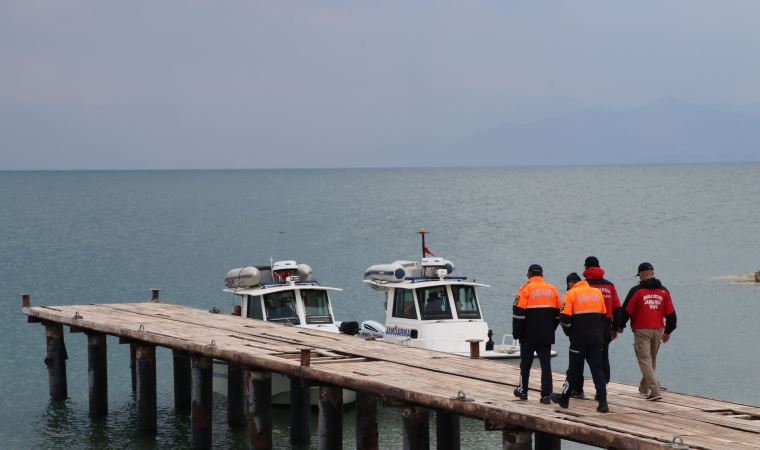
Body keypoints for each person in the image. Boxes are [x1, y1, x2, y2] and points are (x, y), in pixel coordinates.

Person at [551, 273, 609, 413]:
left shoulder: (571, 294)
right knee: (597, 369)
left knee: (573, 370)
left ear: (570, 283)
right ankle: (603, 402)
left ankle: (564, 399)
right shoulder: (596, 292)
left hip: (579, 339)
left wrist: (569, 333)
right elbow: (603, 315)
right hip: (596, 339)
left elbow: (564, 318)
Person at [620, 262, 677, 401]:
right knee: (651, 360)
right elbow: (671, 315)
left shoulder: (636, 291)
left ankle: (655, 391)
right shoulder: (664, 291)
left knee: (645, 360)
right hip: (658, 330)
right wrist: (668, 331)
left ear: (640, 274)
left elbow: (625, 311)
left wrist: (618, 326)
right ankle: (644, 387)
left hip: (642, 330)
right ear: (652, 274)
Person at [571, 256, 622, 398]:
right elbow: (617, 308)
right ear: (599, 267)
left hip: (584, 327)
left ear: (586, 269)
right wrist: (616, 328)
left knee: (579, 358)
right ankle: (602, 391)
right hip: (605, 328)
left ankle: (577, 389)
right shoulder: (609, 285)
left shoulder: (583, 285)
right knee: (603, 357)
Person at [512, 264, 562, 404]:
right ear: (542, 275)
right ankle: (546, 395)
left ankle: (523, 391)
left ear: (528, 275)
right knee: (546, 365)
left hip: (528, 335)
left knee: (525, 365)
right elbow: (559, 314)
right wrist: (551, 328)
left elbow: (518, 314)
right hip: (546, 335)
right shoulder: (553, 289)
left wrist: (516, 333)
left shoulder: (525, 289)